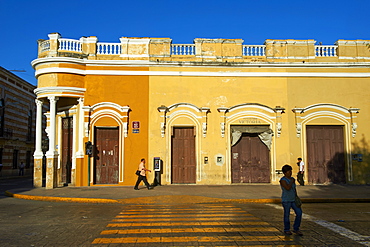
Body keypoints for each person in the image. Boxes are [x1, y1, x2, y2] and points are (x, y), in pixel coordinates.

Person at [280, 164, 303, 236]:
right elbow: (287, 188)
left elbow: (294, 189)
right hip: (286, 200)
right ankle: (287, 229)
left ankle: (296, 228)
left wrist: (296, 196)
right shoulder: (283, 180)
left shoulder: (292, 179)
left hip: (293, 199)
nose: (290, 173)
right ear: (285, 172)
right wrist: (291, 182)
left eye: (291, 171)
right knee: (287, 215)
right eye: (289, 171)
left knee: (299, 213)